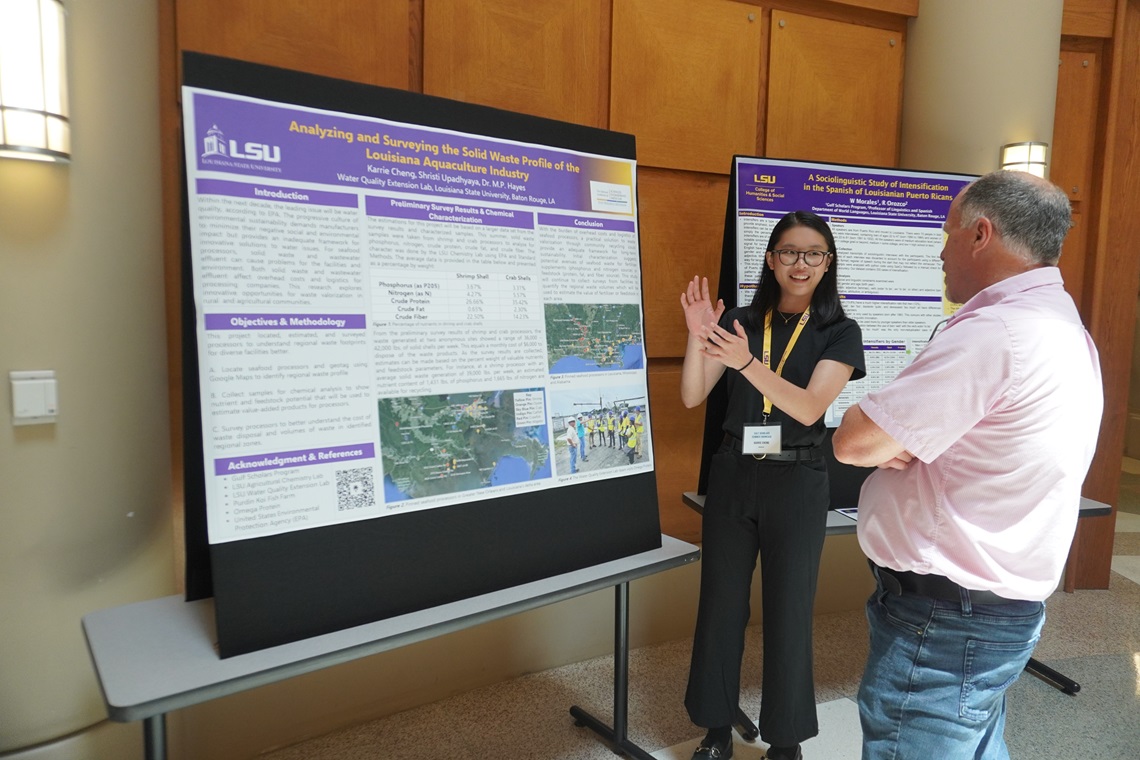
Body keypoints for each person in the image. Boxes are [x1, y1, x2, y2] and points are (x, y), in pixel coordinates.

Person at [831, 171, 1103, 760]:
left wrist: (901, 439)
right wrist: (913, 439)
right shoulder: (1063, 327)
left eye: (948, 231)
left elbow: (854, 441)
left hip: (945, 617)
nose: (940, 248)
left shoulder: (996, 333)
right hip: (988, 608)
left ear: (981, 233)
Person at [681, 210, 865, 760]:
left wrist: (746, 362)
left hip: (799, 477)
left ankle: (785, 741)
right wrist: (698, 339)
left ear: (828, 263)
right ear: (770, 258)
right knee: (720, 604)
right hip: (735, 472)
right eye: (789, 251)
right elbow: (693, 395)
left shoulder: (839, 330)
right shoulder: (739, 319)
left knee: (789, 609)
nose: (801, 263)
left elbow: (809, 407)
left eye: (814, 254)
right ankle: (715, 728)